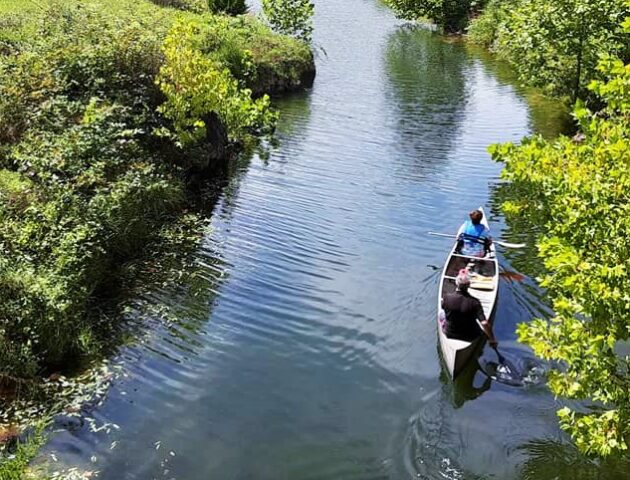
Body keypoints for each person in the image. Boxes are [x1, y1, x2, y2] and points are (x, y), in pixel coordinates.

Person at [440, 269, 498, 347]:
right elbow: (484, 323)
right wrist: (492, 339)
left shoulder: (447, 297)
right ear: (469, 285)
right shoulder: (475, 302)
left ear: (456, 284)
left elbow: (444, 308)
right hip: (470, 336)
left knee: (441, 314)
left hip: (450, 333)